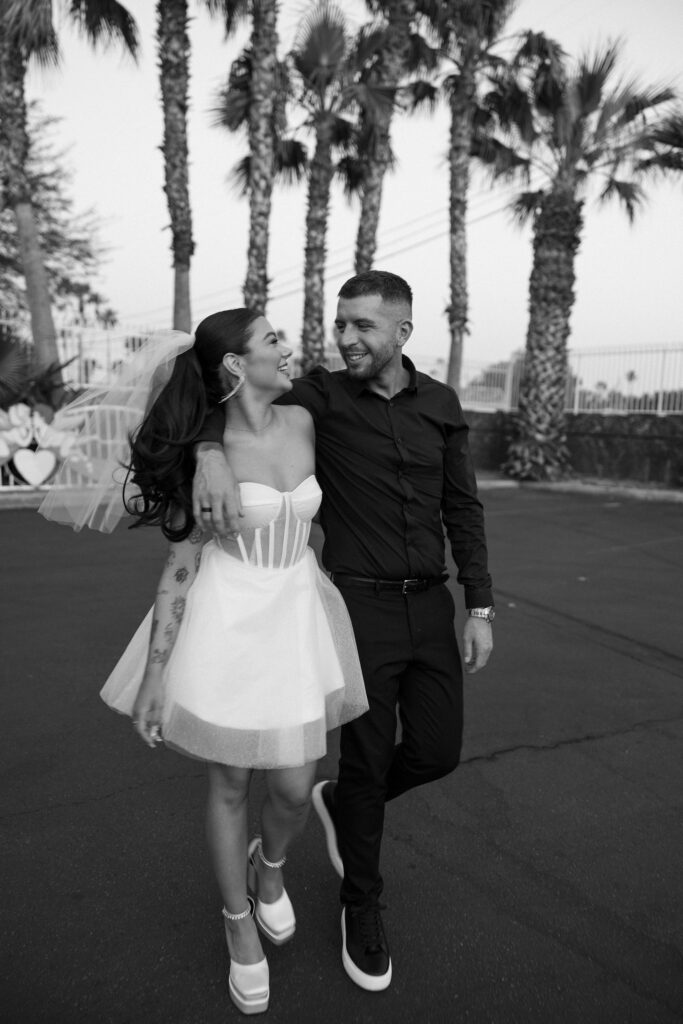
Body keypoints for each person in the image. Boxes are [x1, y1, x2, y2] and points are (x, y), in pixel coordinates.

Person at [38, 309, 368, 1017]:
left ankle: (268, 867)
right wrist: (155, 677)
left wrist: (216, 441)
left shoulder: (305, 420)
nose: (289, 347)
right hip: (228, 617)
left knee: (292, 783)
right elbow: (179, 570)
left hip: (296, 611)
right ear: (233, 364)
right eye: (271, 340)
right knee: (230, 780)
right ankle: (236, 921)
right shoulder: (200, 455)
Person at [192, 271, 494, 993]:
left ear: (401, 333)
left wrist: (478, 606)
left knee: (435, 751)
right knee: (360, 763)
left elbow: (463, 507)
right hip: (354, 609)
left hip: (430, 605)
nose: (346, 338)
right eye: (341, 323)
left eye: (363, 326)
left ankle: (338, 803)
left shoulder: (442, 404)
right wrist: (207, 452)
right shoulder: (318, 397)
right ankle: (361, 905)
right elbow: (222, 393)